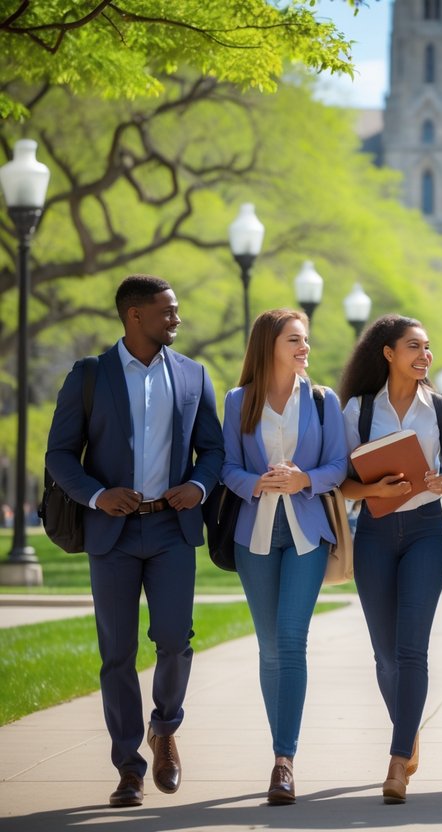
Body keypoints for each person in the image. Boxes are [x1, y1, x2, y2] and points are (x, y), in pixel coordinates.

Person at [45, 275, 224, 807]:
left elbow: (211, 449)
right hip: (113, 533)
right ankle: (128, 765)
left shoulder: (193, 376)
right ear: (134, 316)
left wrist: (197, 485)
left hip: (172, 529)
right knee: (116, 654)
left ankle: (164, 727)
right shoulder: (89, 376)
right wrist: (97, 496)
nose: (176, 319)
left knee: (175, 640)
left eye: (177, 310)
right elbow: (58, 455)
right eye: (167, 311)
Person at [220, 308, 348, 805]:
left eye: (306, 340)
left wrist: (305, 480)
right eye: (295, 339)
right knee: (269, 645)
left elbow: (339, 463)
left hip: (307, 534)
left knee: (292, 640)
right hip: (253, 534)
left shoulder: (322, 401)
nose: (304, 348)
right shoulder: (237, 402)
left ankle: (283, 761)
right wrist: (256, 483)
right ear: (269, 343)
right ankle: (282, 753)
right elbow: (227, 466)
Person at [337, 315, 442, 804]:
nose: (424, 355)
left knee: (412, 650)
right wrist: (373, 489)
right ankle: (409, 730)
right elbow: (340, 483)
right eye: (414, 346)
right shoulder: (359, 412)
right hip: (374, 532)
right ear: (388, 353)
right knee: (385, 655)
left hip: (427, 533)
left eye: (428, 347)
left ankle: (396, 760)